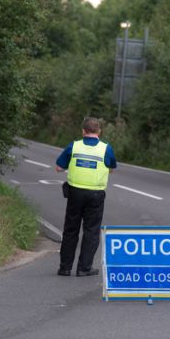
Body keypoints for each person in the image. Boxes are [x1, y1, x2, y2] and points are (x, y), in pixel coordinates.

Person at [55, 117, 117, 276]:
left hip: (75, 193)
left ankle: (65, 267)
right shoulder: (106, 149)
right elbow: (111, 169)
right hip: (96, 195)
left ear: (83, 131)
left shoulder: (74, 146)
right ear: (99, 132)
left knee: (70, 229)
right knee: (91, 230)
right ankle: (84, 268)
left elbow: (58, 168)